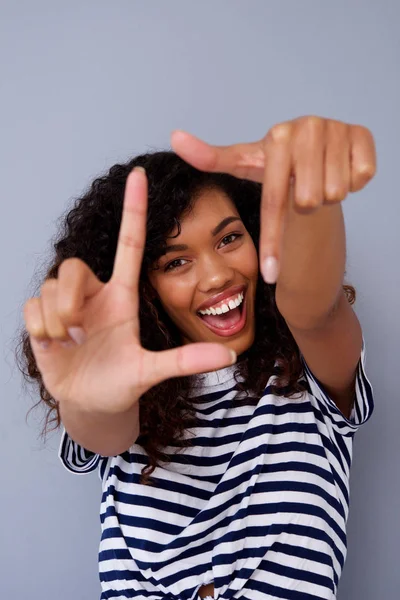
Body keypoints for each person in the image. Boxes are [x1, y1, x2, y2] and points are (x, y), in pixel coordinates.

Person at [18, 116, 376, 600]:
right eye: (175, 262)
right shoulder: (133, 393)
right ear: (146, 292)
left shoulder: (307, 376)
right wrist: (92, 398)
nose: (215, 276)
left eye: (229, 238)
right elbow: (104, 427)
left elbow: (314, 307)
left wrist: (309, 200)